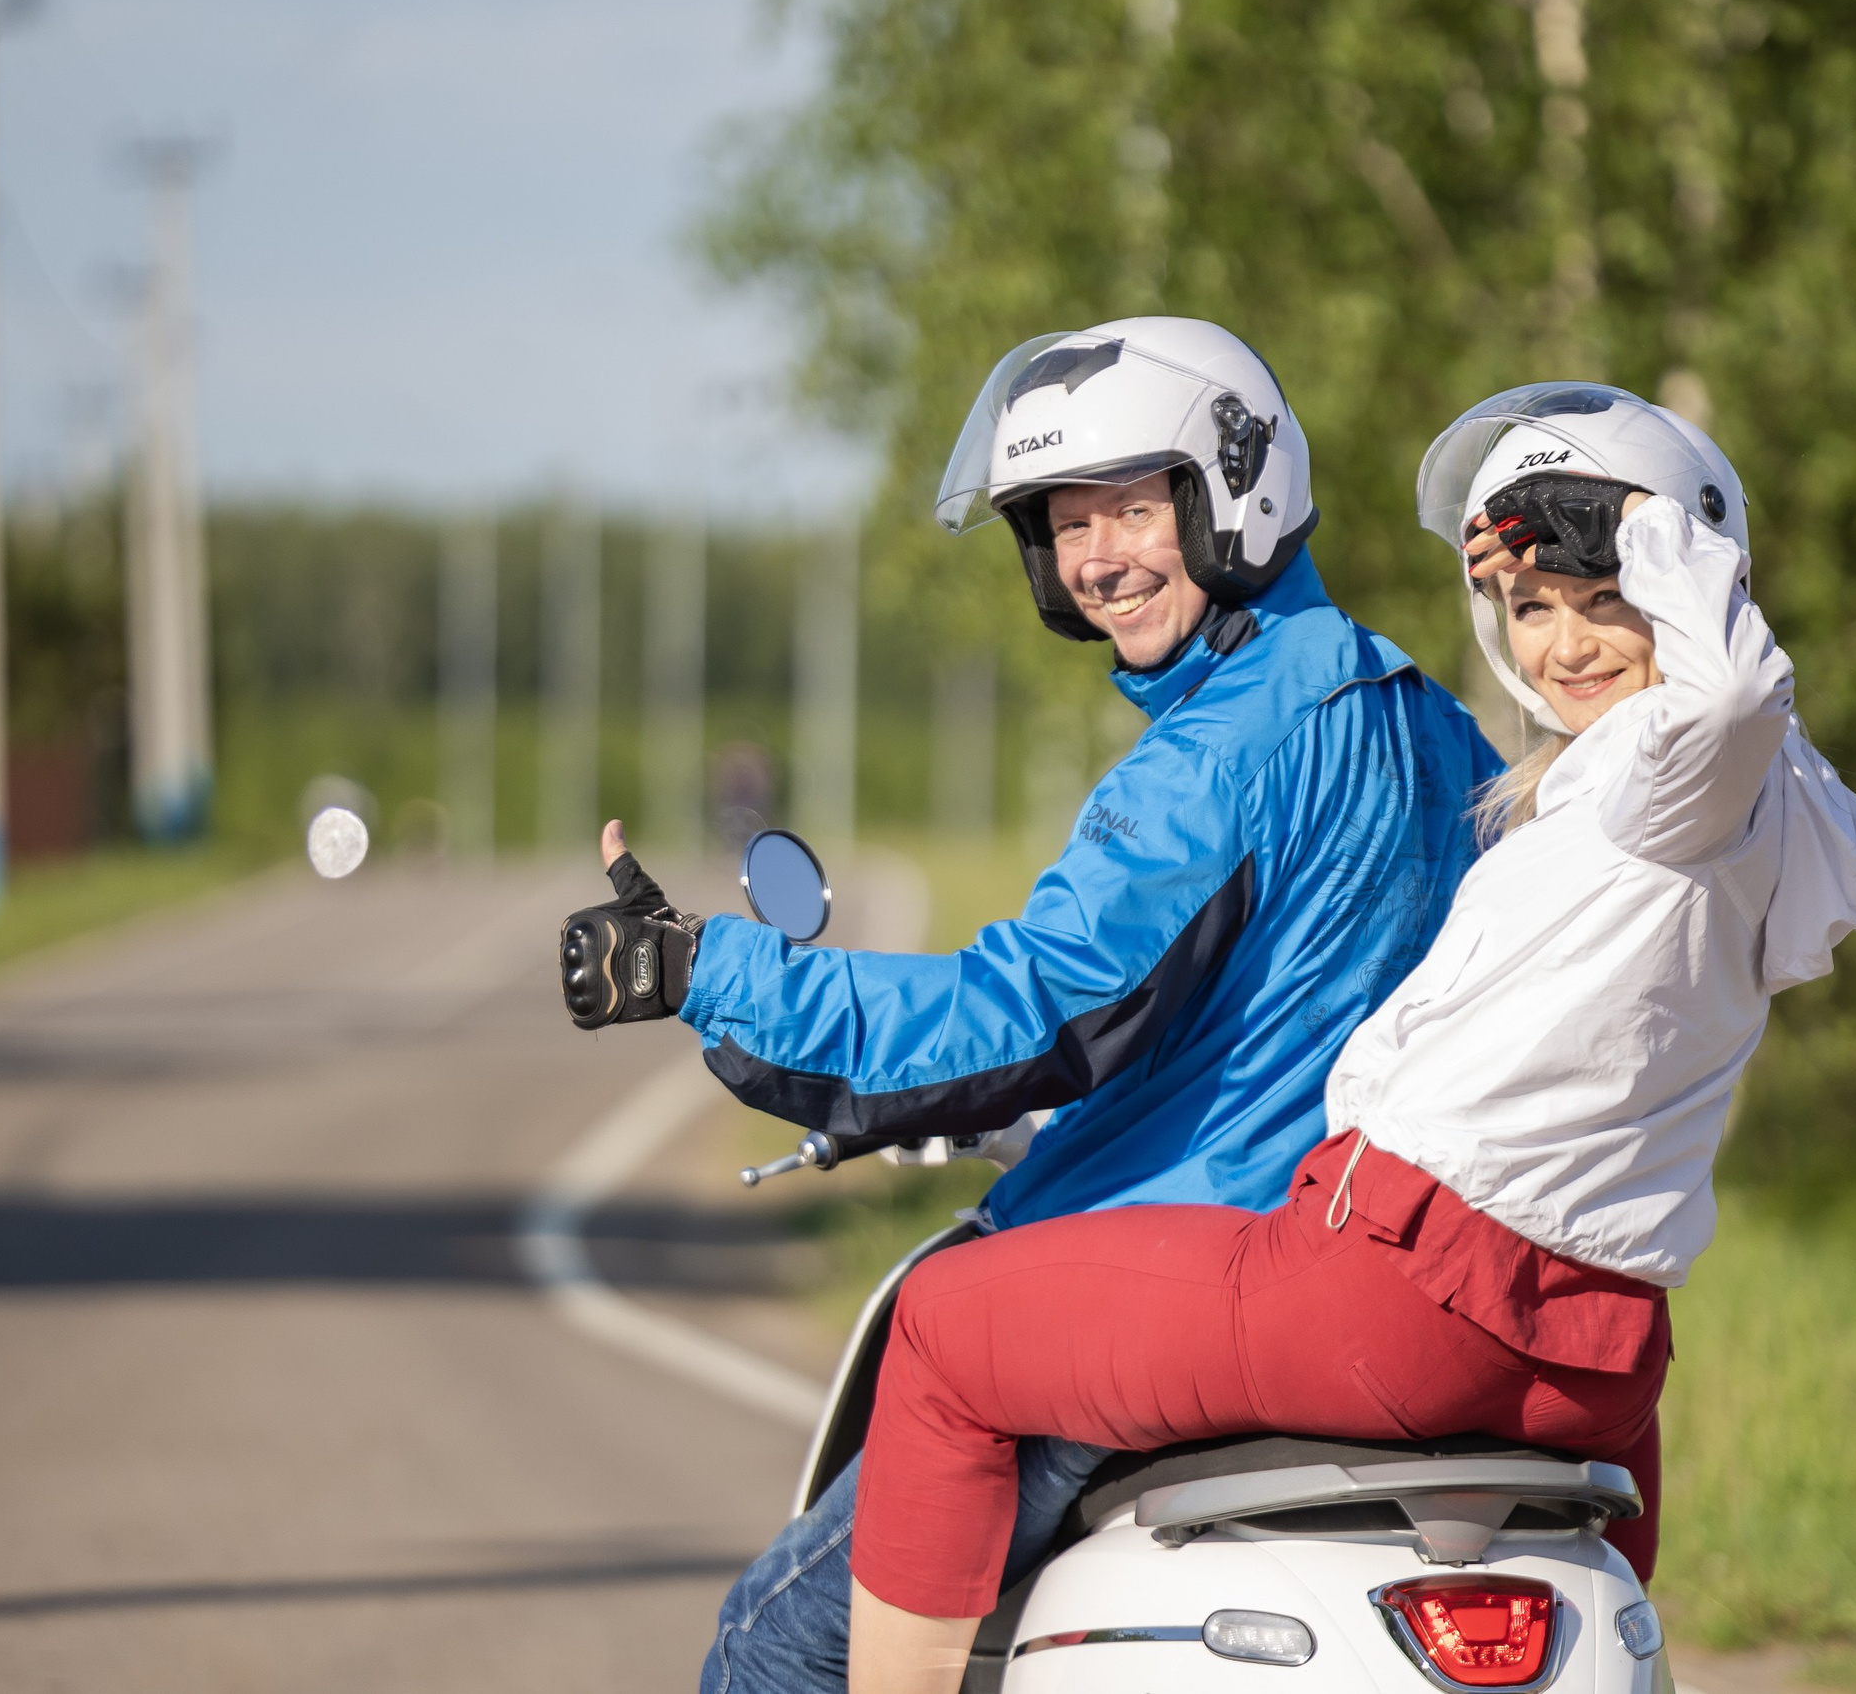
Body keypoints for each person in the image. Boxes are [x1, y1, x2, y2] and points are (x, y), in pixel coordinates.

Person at [839, 383, 1856, 1694]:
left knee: (944, 1329)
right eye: (1532, 605)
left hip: (1395, 1295)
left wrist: (1644, 527)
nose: (1565, 644)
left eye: (1603, 595)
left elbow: (1737, 690)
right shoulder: (1740, 815)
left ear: (1680, 579)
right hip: (1604, 1359)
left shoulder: (1674, 782)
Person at [553, 318, 1509, 1694]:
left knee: (772, 1647)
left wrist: (710, 970)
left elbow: (1030, 1016)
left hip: (1182, 1279)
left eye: (1130, 506)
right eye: (1064, 525)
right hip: (1386, 1272)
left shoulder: (1223, 751)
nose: (1097, 556)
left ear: (1232, 489)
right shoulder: (1425, 721)